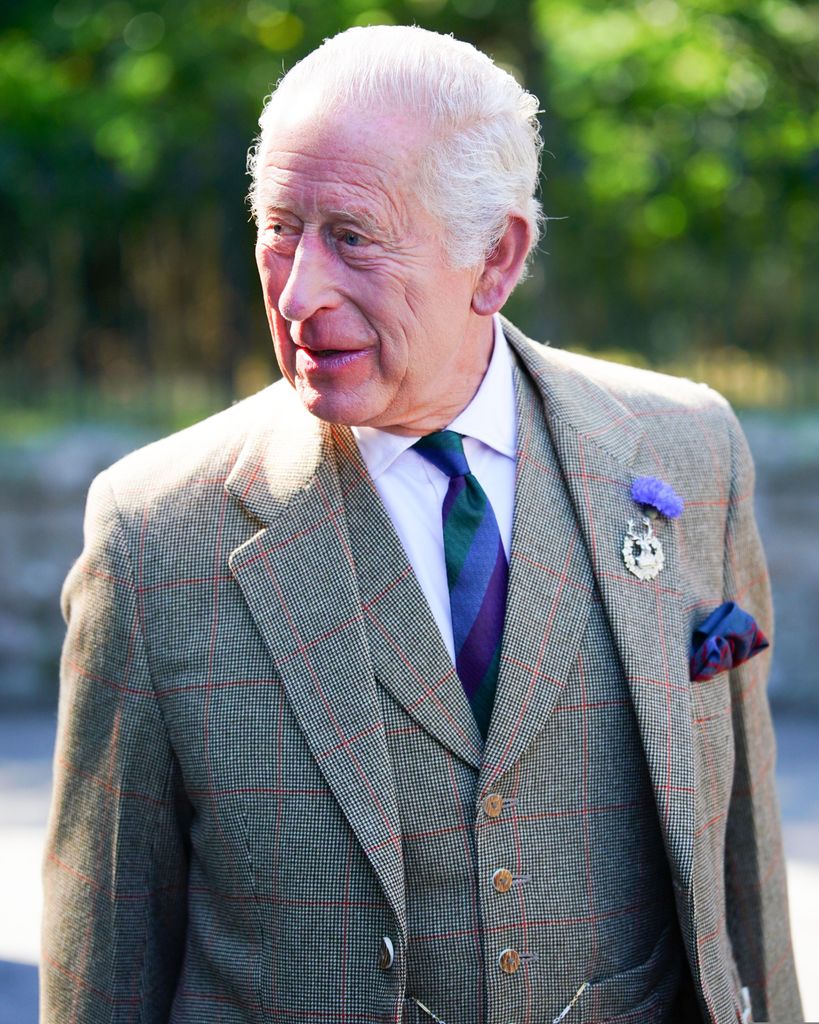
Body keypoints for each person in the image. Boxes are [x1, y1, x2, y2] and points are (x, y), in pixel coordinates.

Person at [41, 25, 802, 1024]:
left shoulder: (688, 453)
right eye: (280, 230)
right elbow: (103, 971)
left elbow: (742, 862)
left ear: (496, 258)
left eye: (352, 237)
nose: (300, 291)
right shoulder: (153, 536)